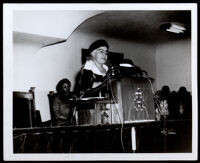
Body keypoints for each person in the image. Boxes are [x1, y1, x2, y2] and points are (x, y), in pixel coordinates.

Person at [75, 39, 110, 125]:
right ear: (93, 53)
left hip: (108, 110)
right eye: (101, 51)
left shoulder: (109, 71)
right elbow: (81, 92)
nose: (104, 54)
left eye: (106, 52)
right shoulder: (86, 71)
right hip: (90, 112)